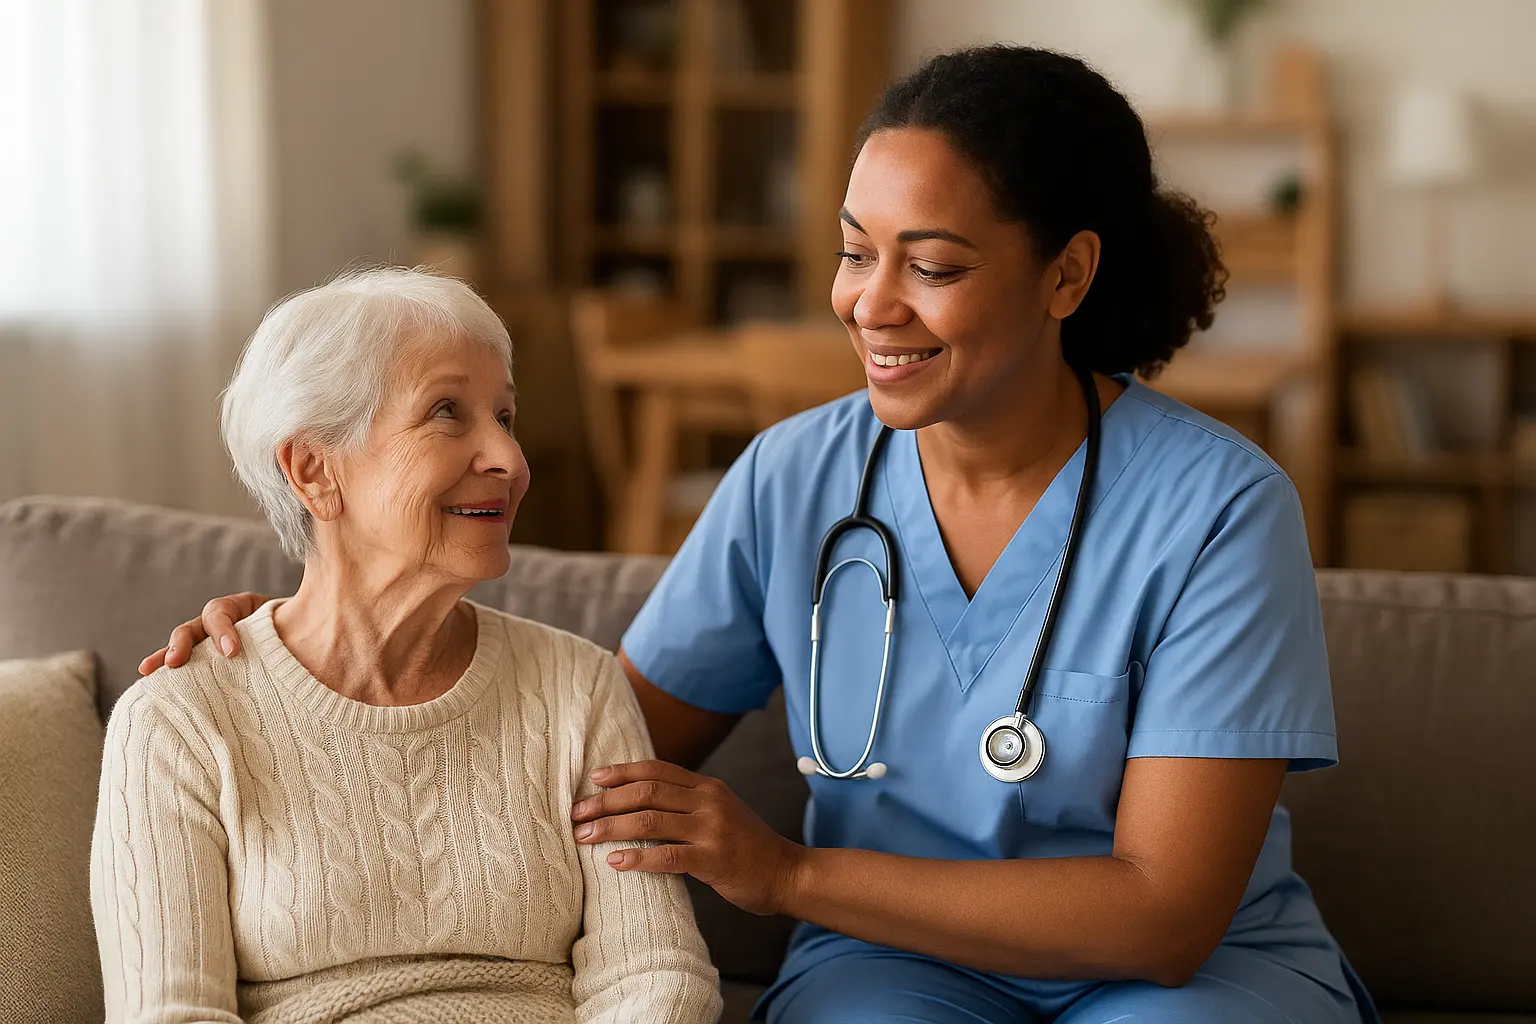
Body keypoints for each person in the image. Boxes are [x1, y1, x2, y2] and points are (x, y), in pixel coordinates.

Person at [143, 47, 1377, 1024]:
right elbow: (578, 760)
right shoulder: (798, 476)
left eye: (931, 265)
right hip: (896, 969)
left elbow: (1162, 914)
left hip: (1180, 981)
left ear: (1067, 276)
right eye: (854, 252)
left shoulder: (1219, 509)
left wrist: (785, 875)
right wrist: (311, 648)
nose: (869, 303)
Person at [97, 268, 721, 1024]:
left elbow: (657, 974)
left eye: (506, 416)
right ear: (313, 470)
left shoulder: (577, 686)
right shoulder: (180, 721)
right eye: (447, 413)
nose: (510, 461)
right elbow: (171, 1014)